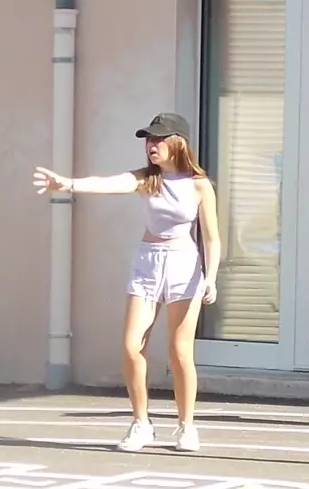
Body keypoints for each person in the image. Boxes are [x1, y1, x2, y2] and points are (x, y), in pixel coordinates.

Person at [33, 112, 219, 453]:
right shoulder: (145, 180)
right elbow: (108, 182)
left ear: (178, 143)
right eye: (149, 139)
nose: (152, 145)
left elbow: (212, 238)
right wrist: (68, 184)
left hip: (184, 266)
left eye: (159, 139)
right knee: (132, 346)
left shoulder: (198, 185)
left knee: (180, 352)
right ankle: (141, 423)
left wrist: (211, 278)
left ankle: (186, 426)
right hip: (147, 263)